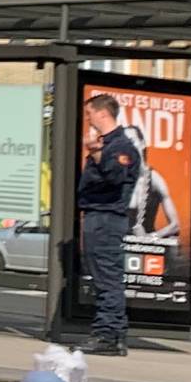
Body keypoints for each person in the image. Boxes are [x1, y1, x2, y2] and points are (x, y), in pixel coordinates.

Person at [75, 93, 143, 355]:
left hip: (106, 218)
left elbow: (115, 176)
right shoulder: (109, 144)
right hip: (98, 217)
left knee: (107, 278)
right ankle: (115, 334)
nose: (88, 118)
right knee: (104, 276)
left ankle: (106, 335)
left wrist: (96, 154)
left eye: (90, 113)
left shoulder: (120, 146)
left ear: (103, 113)